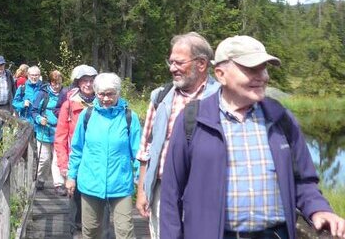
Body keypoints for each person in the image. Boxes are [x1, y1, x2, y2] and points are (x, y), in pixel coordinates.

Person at [160, 35, 345, 239]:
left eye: (264, 68)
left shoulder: (281, 118)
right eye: (251, 69)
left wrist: (318, 208)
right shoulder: (192, 120)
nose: (262, 76)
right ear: (221, 74)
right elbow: (171, 193)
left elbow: (303, 181)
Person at [135, 32, 220, 239]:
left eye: (179, 62)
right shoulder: (160, 97)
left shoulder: (221, 98)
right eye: (170, 62)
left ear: (201, 64)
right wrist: (143, 190)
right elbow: (147, 148)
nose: (172, 68)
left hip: (205, 194)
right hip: (163, 192)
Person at [66, 73, 141, 239]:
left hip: (120, 183)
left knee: (125, 232)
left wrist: (140, 180)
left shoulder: (129, 118)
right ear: (96, 93)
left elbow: (138, 154)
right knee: (91, 232)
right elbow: (77, 149)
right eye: (101, 94)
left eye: (110, 94)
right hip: (90, 182)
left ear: (118, 93)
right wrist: (71, 176)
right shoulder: (87, 116)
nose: (106, 99)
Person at [55, 64, 98, 236]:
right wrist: (63, 165)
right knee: (75, 200)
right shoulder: (69, 105)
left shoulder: (103, 103)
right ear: (78, 83)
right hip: (76, 159)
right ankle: (75, 231)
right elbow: (60, 137)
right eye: (84, 81)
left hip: (97, 160)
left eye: (91, 81)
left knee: (97, 200)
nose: (88, 84)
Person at [31, 70, 66, 195]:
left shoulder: (64, 93)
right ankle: (40, 179)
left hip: (59, 131)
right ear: (50, 82)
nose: (57, 86)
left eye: (59, 83)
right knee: (44, 159)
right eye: (54, 83)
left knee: (57, 159)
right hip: (44, 131)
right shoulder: (43, 93)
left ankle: (59, 184)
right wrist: (40, 119)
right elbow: (34, 110)